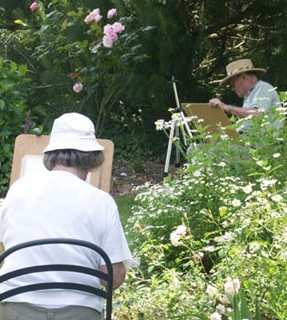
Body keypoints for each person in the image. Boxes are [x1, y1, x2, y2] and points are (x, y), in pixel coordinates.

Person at [0, 113, 134, 320]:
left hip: (16, 306)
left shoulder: (17, 190)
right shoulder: (101, 201)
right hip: (79, 310)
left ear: (50, 154)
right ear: (93, 157)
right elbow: (112, 278)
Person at [209, 58, 281, 132]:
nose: (232, 89)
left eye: (232, 84)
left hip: (266, 142)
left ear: (244, 77)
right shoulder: (250, 95)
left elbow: (257, 114)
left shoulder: (263, 87)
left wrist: (226, 107)